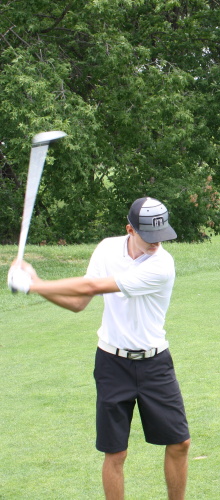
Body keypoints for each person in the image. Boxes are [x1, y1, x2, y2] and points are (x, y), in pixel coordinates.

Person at [7, 197, 191, 500]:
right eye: (149, 235)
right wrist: (36, 283)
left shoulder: (162, 266)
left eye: (161, 235)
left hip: (155, 362)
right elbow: (78, 302)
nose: (157, 242)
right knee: (115, 452)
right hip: (111, 363)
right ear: (130, 229)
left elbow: (92, 287)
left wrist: (33, 285)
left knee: (180, 443)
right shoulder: (107, 249)